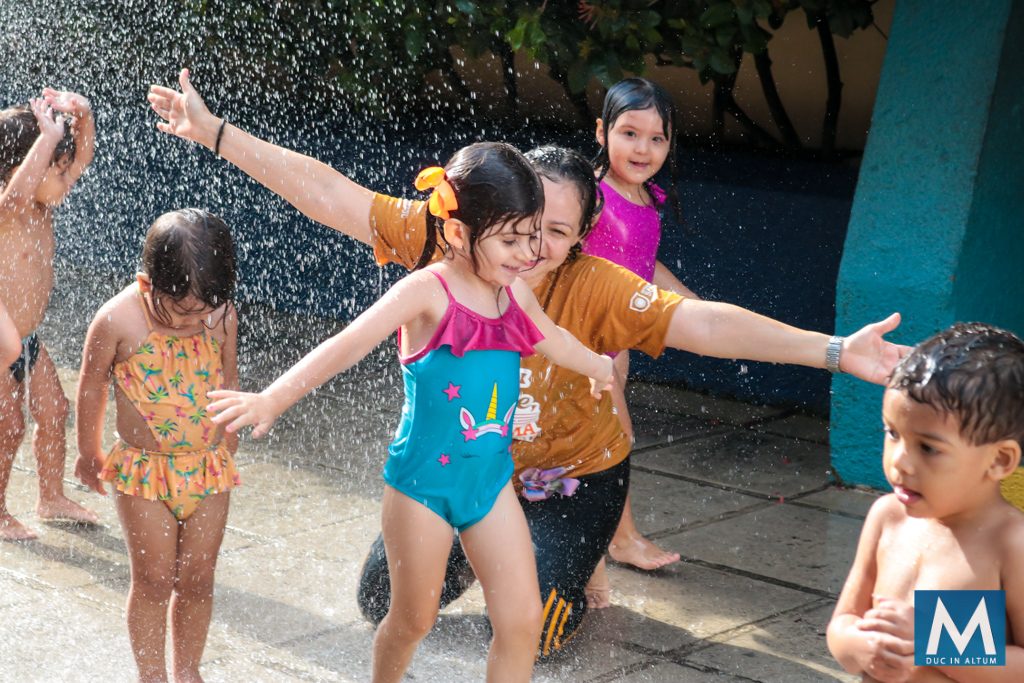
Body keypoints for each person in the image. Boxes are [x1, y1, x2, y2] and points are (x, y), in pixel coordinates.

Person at [147, 68, 908, 656]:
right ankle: (504, 556)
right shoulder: (453, 241)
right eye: (520, 225)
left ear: (580, 240)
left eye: (555, 233)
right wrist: (216, 134)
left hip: (577, 478)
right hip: (478, 471)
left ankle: (565, 560)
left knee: (534, 629)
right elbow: (329, 193)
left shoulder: (596, 285)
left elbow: (703, 322)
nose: (530, 247)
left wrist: (835, 351)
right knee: (383, 602)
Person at [206, 143, 614, 683]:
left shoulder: (514, 293)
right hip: (423, 488)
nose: (528, 254)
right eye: (511, 240)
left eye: (533, 235)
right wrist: (273, 398)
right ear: (459, 233)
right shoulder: (428, 291)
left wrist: (598, 366)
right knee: (412, 619)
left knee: (521, 622)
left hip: (489, 485)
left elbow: (553, 339)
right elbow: (347, 345)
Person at [74, 209, 242, 682]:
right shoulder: (117, 320)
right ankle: (152, 676)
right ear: (147, 284)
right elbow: (91, 387)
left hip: (207, 467)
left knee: (198, 579)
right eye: (182, 311)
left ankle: (188, 671)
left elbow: (228, 377)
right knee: (152, 581)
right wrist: (88, 451)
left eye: (204, 310)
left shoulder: (221, 316)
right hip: (144, 471)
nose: (195, 321)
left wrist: (228, 438)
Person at [827, 322, 1024, 682]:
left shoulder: (1010, 543)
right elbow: (843, 623)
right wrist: (859, 645)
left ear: (999, 460)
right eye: (893, 433)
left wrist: (934, 640)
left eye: (929, 448)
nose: (900, 461)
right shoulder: (888, 517)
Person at [582, 76, 702, 591]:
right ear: (602, 131)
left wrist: (694, 306)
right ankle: (620, 538)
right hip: (583, 343)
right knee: (613, 439)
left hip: (616, 344)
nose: (643, 149)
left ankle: (594, 538)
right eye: (629, 134)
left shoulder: (647, 196)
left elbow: (642, 263)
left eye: (657, 139)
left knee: (597, 440)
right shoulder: (589, 196)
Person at [0, 90, 98, 541]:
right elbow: (13, 199)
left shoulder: (44, 204)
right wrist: (47, 140)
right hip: (3, 346)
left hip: (29, 339)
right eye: (56, 169)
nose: (66, 177)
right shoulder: (8, 212)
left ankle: (51, 497)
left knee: (55, 411)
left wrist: (83, 118)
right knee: (9, 426)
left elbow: (83, 159)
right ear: (22, 168)